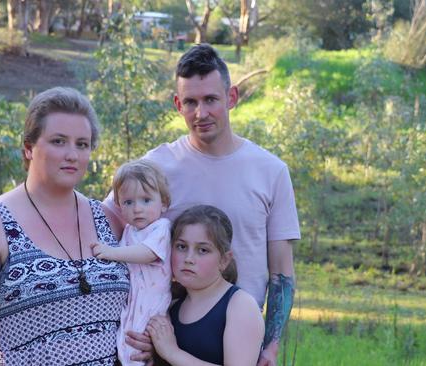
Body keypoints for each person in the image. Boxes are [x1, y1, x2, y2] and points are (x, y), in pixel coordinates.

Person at [105, 44, 300, 365]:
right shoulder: (155, 168)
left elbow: (281, 271)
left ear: (232, 98)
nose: (201, 113)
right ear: (177, 105)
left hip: (239, 333)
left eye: (211, 100)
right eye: (191, 102)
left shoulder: (271, 171)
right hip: (168, 333)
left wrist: (272, 344)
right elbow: (105, 225)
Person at [0, 87, 149, 365]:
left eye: (82, 144)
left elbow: (146, 292)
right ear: (29, 148)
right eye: (59, 141)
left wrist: (149, 340)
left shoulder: (110, 219)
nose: (72, 155)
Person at [147, 205, 264, 365]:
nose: (188, 258)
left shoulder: (240, 305)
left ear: (224, 260)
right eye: (181, 247)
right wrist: (151, 353)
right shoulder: (170, 305)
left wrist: (172, 353)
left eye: (202, 250)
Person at [90, 159, 172, 366]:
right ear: (118, 206)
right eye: (128, 202)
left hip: (153, 301)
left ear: (163, 203)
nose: (137, 209)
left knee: (141, 344)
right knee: (125, 341)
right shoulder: (129, 231)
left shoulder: (161, 228)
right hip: (133, 300)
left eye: (146, 200)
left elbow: (147, 253)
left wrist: (111, 252)